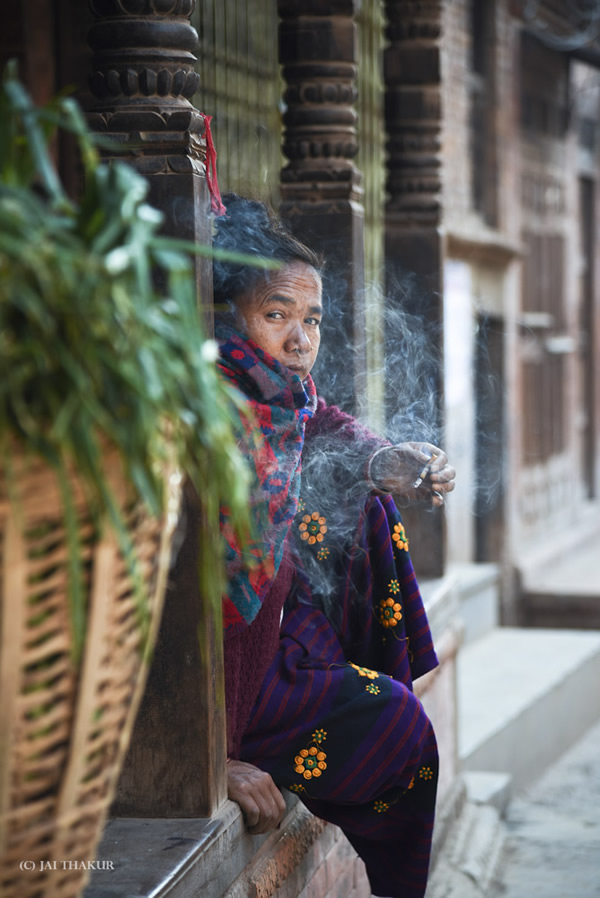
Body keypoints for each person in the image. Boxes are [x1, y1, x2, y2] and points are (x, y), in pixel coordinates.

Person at [213, 195, 455, 898]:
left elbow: (336, 430)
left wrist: (390, 460)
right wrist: (212, 761)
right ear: (231, 314)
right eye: (276, 314)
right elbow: (178, 615)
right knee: (400, 728)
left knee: (370, 501)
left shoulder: (280, 393)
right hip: (208, 688)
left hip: (273, 639)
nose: (299, 338)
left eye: (310, 318)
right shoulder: (210, 407)